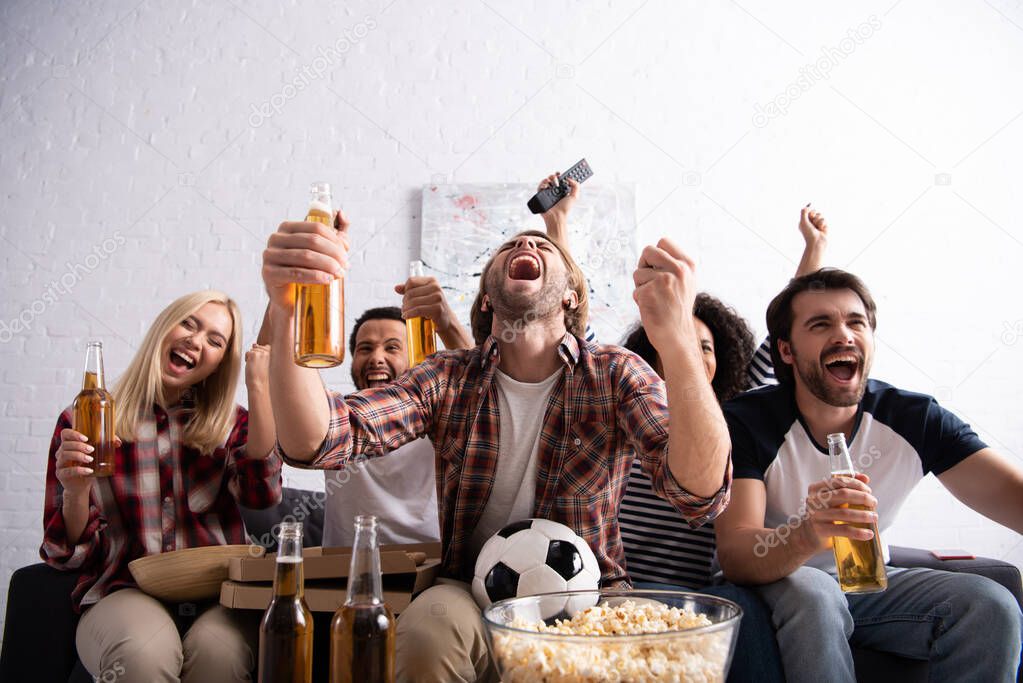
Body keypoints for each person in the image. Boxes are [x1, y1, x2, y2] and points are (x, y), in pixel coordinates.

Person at [260, 207, 731, 682]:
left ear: (571, 294)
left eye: (542, 245)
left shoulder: (615, 371)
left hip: (593, 595)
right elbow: (319, 439)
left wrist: (677, 339)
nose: (526, 246)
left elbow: (697, 492)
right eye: (509, 247)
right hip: (467, 588)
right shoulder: (447, 376)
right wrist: (286, 308)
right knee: (428, 629)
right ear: (486, 299)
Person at [714, 268, 1023, 682]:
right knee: (816, 594)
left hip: (869, 584)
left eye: (856, 322)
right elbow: (736, 554)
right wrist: (807, 533)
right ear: (786, 351)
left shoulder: (914, 418)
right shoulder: (746, 422)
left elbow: (1011, 496)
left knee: (990, 604)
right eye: (821, 324)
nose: (844, 335)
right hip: (778, 583)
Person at [41, 290, 283, 683]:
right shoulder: (86, 417)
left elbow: (262, 495)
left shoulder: (232, 424)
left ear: (220, 363)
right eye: (189, 323)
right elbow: (63, 555)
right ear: (163, 329)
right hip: (123, 590)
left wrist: (260, 386)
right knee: (141, 654)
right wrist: (75, 490)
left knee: (218, 657)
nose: (196, 340)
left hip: (218, 596)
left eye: (215, 340)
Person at [321, 289, 472, 547]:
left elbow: (486, 389)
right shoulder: (331, 416)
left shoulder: (443, 418)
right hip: (343, 572)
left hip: (428, 573)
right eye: (365, 348)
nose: (376, 358)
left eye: (392, 347)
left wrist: (447, 323)